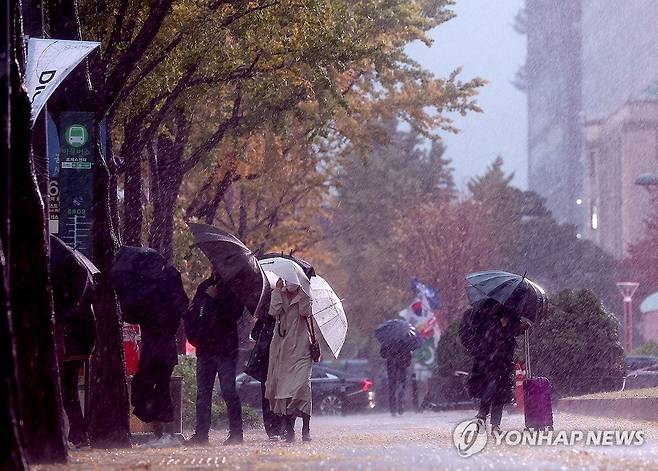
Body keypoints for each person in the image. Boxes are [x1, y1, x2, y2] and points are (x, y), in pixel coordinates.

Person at [186, 273, 245, 445]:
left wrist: (218, 298)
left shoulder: (233, 288)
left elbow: (234, 314)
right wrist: (192, 332)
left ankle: (236, 433)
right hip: (205, 350)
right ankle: (201, 434)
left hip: (225, 351)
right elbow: (195, 313)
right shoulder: (204, 286)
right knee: (203, 394)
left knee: (228, 391)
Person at [131, 265, 187, 445]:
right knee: (155, 387)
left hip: (158, 349)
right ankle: (160, 428)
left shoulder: (160, 300)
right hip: (161, 349)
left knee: (157, 388)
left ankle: (161, 429)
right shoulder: (171, 299)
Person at [460, 300, 520, 435]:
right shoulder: (484, 315)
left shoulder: (509, 318)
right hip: (489, 360)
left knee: (500, 393)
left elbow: (512, 338)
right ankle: (484, 416)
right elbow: (471, 334)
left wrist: (514, 326)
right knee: (492, 387)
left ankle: (493, 423)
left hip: (502, 362)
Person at [265, 278, 314, 442]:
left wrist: (305, 291)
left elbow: (305, 312)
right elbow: (274, 311)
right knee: (284, 390)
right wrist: (277, 291)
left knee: (302, 387)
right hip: (282, 349)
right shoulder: (279, 293)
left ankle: (306, 429)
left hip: (301, 348)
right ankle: (289, 428)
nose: (290, 283)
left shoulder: (305, 294)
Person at [380, 336, 415, 416]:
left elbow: (382, 354)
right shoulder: (405, 340)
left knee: (392, 387)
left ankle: (393, 408)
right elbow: (409, 354)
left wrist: (389, 355)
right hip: (402, 366)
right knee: (401, 386)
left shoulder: (387, 340)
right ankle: (400, 405)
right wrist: (406, 362)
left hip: (391, 366)